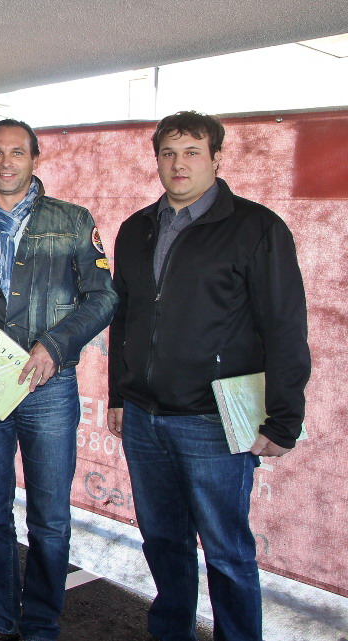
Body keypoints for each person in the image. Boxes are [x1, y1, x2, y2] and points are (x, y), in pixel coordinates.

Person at [107, 111, 310, 641]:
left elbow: (284, 325)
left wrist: (284, 418)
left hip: (213, 422)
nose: (179, 164)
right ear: (157, 160)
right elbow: (124, 319)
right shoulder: (135, 228)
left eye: (192, 152)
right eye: (169, 153)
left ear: (217, 158)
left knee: (226, 552)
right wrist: (118, 395)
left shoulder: (257, 228)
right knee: (162, 542)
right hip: (144, 418)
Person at [0, 119, 117, 641]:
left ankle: (42, 625)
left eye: (17, 152)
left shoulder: (72, 221)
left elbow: (104, 297)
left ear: (35, 159)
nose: (6, 162)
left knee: (50, 520)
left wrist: (55, 345)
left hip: (50, 388)